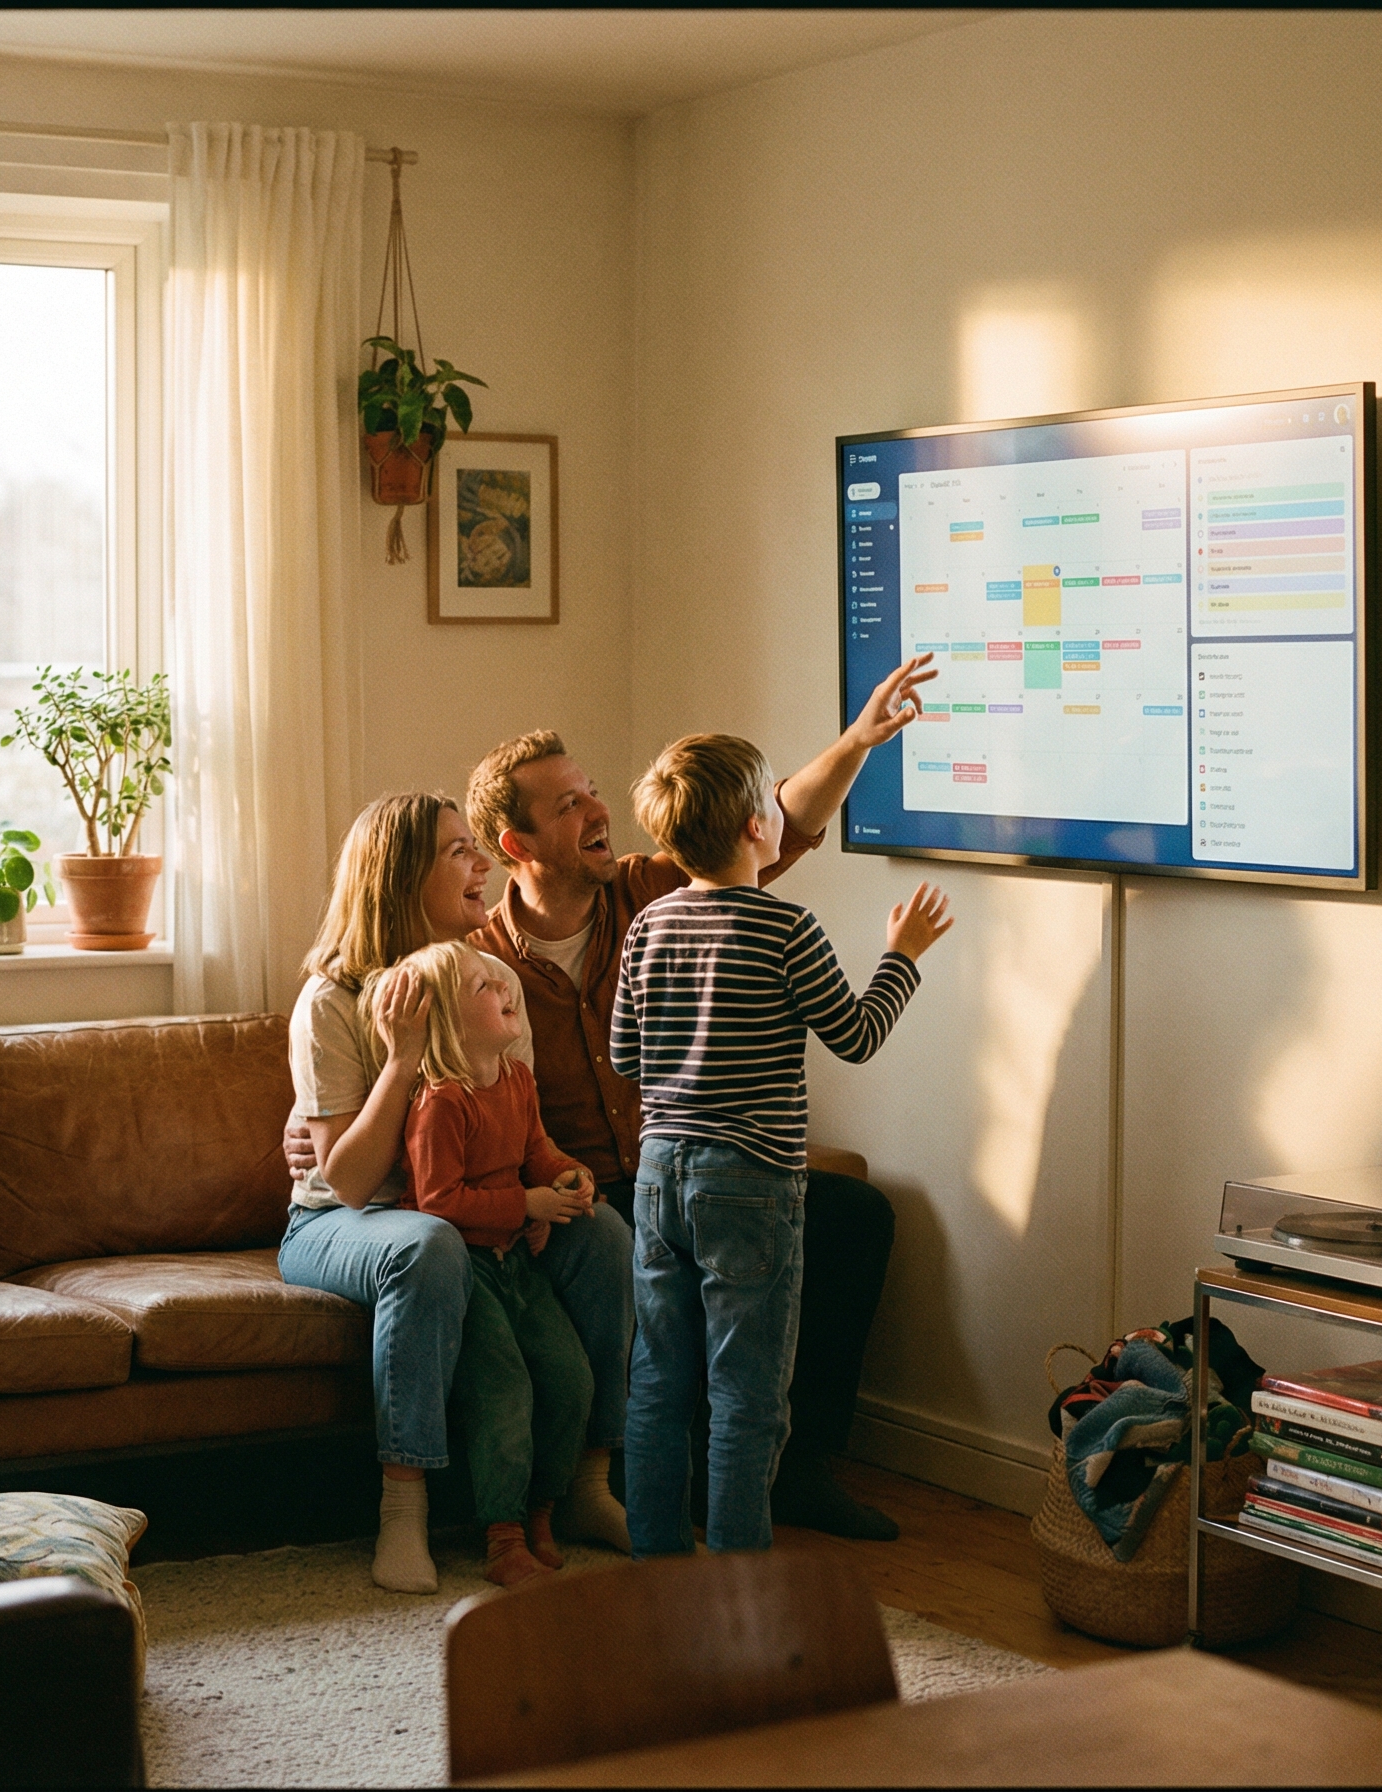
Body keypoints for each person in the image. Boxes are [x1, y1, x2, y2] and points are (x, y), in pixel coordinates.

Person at [462, 655, 936, 1540]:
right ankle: (733, 1550)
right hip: (585, 1192)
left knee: (852, 1216)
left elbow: (784, 819)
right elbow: (855, 1029)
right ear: (515, 847)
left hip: (661, 1171)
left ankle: (783, 1480)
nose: (596, 811)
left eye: (594, 792)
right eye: (568, 806)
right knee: (740, 1371)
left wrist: (861, 738)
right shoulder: (477, 962)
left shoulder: (645, 900)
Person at [279, 792, 634, 1596]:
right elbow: (349, 1180)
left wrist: (554, 1184)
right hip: (345, 1221)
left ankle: (584, 1486)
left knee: (606, 1234)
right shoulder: (332, 1002)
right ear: (402, 876)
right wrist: (402, 1060)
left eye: (479, 847)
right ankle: (403, 1512)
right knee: (426, 1241)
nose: (483, 865)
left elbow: (520, 1129)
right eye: (457, 852)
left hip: (470, 1212)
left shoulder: (493, 983)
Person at [612, 733, 953, 1556]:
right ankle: (738, 1574)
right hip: (751, 1181)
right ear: (755, 826)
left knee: (659, 1378)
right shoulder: (785, 927)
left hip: (660, 1175)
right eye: (773, 796)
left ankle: (657, 1559)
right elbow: (858, 1033)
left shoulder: (650, 922)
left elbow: (627, 1055)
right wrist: (901, 955)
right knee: (748, 1392)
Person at [375, 940, 598, 1587]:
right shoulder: (440, 1102)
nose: (504, 991)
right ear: (446, 1017)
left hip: (517, 1267)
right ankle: (501, 1536)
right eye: (482, 986)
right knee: (505, 1389)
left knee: (570, 1376)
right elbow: (437, 1202)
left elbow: (537, 1153)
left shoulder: (517, 1081)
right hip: (465, 1273)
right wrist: (524, 1204)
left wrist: (568, 1177)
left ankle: (542, 1511)